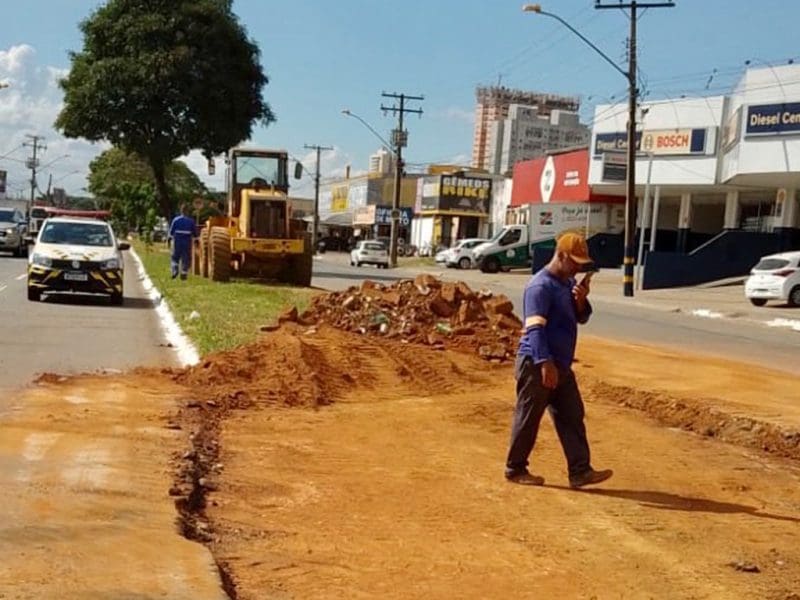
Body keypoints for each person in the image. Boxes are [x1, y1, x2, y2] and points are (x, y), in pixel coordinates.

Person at [504, 232, 613, 489]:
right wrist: (545, 363)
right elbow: (535, 329)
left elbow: (579, 318)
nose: (577, 267)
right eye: (574, 261)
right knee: (529, 417)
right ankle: (515, 468)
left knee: (571, 415)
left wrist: (581, 301)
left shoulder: (566, 284)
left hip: (561, 364)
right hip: (537, 362)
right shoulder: (540, 286)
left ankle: (580, 471)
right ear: (561, 255)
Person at [168, 204, 197, 280]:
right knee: (186, 258)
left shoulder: (176, 220)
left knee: (175, 257)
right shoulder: (191, 221)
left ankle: (175, 270)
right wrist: (196, 241)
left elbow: (171, 233)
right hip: (187, 241)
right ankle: (184, 272)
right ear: (187, 212)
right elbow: (195, 234)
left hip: (177, 241)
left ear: (181, 211)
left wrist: (169, 240)